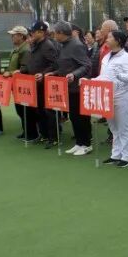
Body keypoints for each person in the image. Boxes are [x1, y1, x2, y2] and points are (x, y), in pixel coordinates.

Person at [86, 31, 128, 167]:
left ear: (118, 41)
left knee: (124, 127)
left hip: (122, 97)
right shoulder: (106, 57)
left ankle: (127, 157)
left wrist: (120, 76)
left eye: (110, 37)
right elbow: (103, 77)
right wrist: (90, 81)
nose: (107, 39)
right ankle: (115, 155)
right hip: (107, 97)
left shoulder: (126, 58)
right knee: (113, 128)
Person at [47, 21, 93, 156]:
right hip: (67, 88)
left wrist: (74, 74)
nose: (54, 35)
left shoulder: (76, 45)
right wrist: (54, 73)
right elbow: (65, 66)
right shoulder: (63, 45)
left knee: (81, 117)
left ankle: (86, 144)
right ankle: (79, 143)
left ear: (61, 33)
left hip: (78, 88)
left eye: (55, 33)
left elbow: (87, 65)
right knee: (73, 117)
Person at [27, 20, 59, 148]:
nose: (32, 34)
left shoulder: (47, 45)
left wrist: (43, 74)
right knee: (39, 110)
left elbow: (54, 65)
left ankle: (53, 138)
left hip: (46, 84)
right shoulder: (35, 45)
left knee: (48, 111)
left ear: (41, 32)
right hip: (36, 84)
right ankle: (44, 134)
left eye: (34, 32)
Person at [5, 26, 35, 140]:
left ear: (21, 36)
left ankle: (31, 134)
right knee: (20, 109)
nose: (12, 37)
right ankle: (26, 131)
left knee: (25, 110)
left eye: (14, 35)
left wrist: (10, 73)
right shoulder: (17, 49)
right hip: (16, 84)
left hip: (23, 84)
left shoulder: (25, 49)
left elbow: (24, 68)